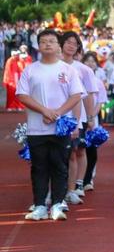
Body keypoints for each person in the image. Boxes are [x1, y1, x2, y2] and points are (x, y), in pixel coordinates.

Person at [16, 29, 84, 220]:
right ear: (38, 46)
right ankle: (39, 205)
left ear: (58, 46)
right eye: (43, 41)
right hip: (37, 128)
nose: (47, 44)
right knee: (39, 167)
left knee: (59, 166)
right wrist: (44, 111)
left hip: (60, 127)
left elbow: (76, 95)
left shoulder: (68, 70)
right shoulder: (31, 69)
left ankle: (57, 204)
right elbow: (22, 95)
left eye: (52, 41)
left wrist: (57, 113)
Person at [60, 32, 99, 204]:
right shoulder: (54, 66)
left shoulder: (84, 70)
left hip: (78, 117)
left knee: (75, 152)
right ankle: (56, 189)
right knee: (57, 154)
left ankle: (76, 185)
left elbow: (89, 96)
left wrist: (90, 118)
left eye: (74, 44)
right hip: (55, 116)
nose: (70, 46)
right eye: (67, 42)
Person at [81, 52, 108, 192]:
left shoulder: (98, 82)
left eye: (93, 61)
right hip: (78, 118)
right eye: (87, 60)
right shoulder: (78, 78)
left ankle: (88, 178)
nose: (90, 63)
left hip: (92, 119)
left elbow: (100, 101)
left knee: (91, 149)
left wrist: (91, 116)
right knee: (78, 149)